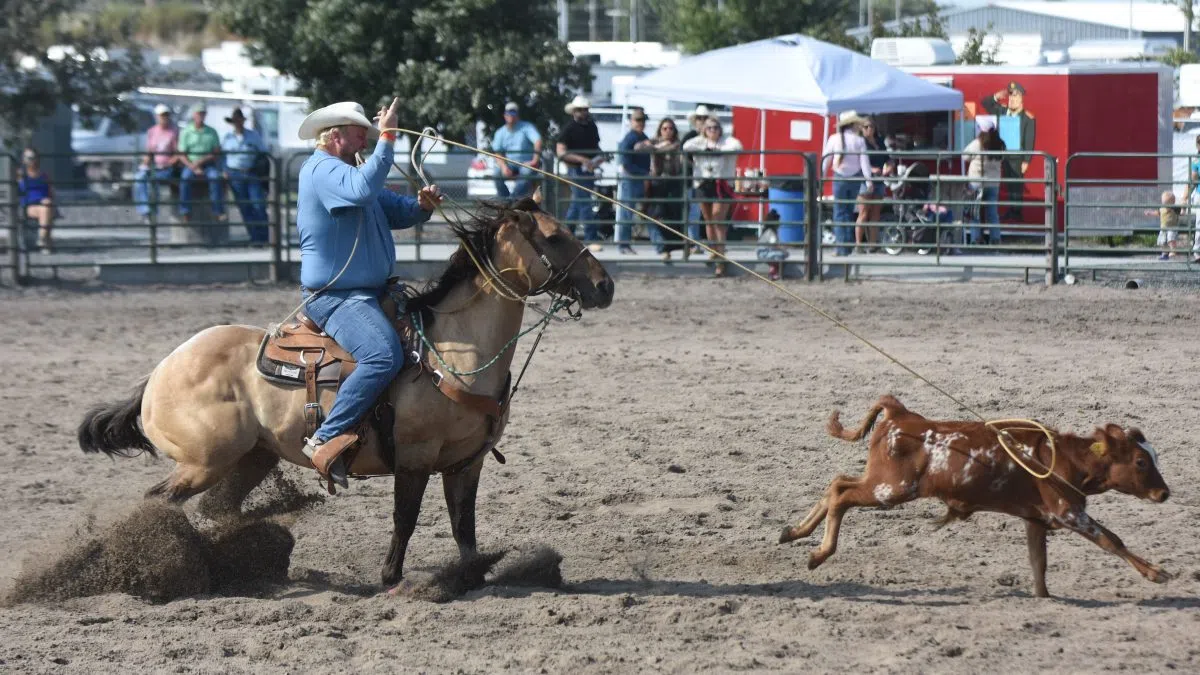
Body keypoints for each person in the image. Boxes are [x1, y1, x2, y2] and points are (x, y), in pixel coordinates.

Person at [296, 98, 443, 488]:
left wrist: (421, 207)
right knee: (382, 356)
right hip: (336, 296)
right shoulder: (323, 170)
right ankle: (325, 439)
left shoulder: (353, 171)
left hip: (371, 292)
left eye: (369, 128)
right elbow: (362, 192)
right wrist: (389, 136)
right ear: (335, 134)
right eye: (359, 128)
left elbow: (398, 211)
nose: (367, 133)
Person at [683, 118, 742, 277]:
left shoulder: (727, 141)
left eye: (716, 127)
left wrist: (717, 148)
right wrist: (705, 144)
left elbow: (737, 146)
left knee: (718, 220)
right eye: (709, 128)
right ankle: (715, 251)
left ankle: (720, 260)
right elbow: (686, 146)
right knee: (709, 220)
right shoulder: (699, 141)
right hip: (703, 183)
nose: (712, 130)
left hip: (721, 184)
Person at [556, 95, 605, 251]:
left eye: (584, 109)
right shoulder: (568, 128)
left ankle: (564, 236)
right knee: (584, 203)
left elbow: (597, 148)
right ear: (573, 111)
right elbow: (561, 152)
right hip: (575, 169)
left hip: (588, 169)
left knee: (577, 203)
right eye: (579, 110)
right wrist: (582, 159)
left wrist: (596, 160)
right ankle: (591, 239)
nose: (582, 112)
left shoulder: (592, 126)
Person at [981, 82, 1035, 222]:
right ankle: (1011, 210)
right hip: (1003, 156)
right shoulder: (1002, 111)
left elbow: (1029, 141)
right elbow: (985, 103)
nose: (1012, 99)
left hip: (1017, 157)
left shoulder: (1027, 118)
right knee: (1008, 185)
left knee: (1017, 185)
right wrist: (996, 96)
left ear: (1021, 99)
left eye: (1015, 97)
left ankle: (1017, 212)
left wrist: (1026, 160)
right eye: (1010, 96)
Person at [821, 111, 873, 257]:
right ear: (853, 124)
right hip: (855, 178)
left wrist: (822, 176)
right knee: (849, 211)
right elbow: (864, 163)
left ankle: (841, 247)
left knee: (839, 212)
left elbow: (826, 160)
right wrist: (869, 181)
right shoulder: (859, 141)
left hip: (840, 177)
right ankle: (848, 245)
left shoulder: (834, 138)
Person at [221, 107, 270, 243]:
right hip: (234, 174)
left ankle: (265, 236)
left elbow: (263, 154)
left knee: (258, 204)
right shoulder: (227, 138)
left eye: (239, 120)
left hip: (251, 172)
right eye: (235, 121)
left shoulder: (253, 136)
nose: (238, 123)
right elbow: (223, 156)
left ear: (242, 121)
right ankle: (254, 237)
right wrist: (224, 170)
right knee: (244, 207)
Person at [133, 103, 182, 221]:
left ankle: (153, 212)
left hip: (166, 168)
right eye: (162, 115)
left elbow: (177, 153)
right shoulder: (152, 132)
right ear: (157, 117)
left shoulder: (174, 132)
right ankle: (145, 210)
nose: (164, 118)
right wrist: (144, 164)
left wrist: (168, 164)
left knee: (153, 182)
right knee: (139, 178)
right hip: (154, 166)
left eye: (166, 115)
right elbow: (150, 152)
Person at [178, 103, 225, 222]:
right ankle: (185, 211)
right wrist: (192, 166)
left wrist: (200, 162)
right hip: (190, 164)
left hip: (208, 164)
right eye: (199, 113)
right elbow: (182, 154)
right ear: (194, 115)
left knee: (215, 178)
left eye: (203, 113)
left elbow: (216, 152)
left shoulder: (212, 132)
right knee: (185, 178)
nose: (201, 116)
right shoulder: (186, 132)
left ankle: (217, 211)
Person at [615, 108, 653, 254]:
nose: (640, 123)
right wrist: (644, 173)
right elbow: (625, 162)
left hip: (639, 178)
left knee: (637, 211)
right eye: (637, 120)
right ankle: (624, 244)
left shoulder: (641, 136)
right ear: (631, 121)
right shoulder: (630, 138)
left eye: (642, 120)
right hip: (631, 178)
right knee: (627, 212)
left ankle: (626, 244)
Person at [962, 120, 1006, 247]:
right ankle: (995, 239)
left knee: (975, 213)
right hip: (993, 183)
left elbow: (964, 156)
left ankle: (976, 239)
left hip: (977, 183)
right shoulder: (1000, 144)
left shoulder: (977, 144)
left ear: (981, 130)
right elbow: (1002, 159)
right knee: (992, 213)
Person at [648, 117, 685, 261]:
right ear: (660, 130)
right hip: (658, 182)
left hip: (673, 182)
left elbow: (674, 147)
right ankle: (662, 247)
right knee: (655, 215)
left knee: (672, 215)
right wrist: (655, 147)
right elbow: (638, 147)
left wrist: (657, 149)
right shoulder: (654, 141)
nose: (668, 131)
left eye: (670, 128)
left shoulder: (677, 144)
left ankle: (669, 248)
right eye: (665, 128)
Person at [490, 102, 543, 199]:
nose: (511, 115)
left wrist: (535, 161)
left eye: (513, 112)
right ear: (504, 115)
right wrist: (503, 167)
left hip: (526, 163)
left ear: (517, 114)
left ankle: (513, 200)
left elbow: (538, 141)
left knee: (527, 172)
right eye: (508, 113)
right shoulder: (500, 132)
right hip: (509, 163)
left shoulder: (527, 127)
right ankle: (504, 200)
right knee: (496, 173)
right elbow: (497, 153)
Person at [855, 117, 889, 252]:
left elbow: (887, 158)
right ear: (861, 129)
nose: (869, 129)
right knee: (863, 213)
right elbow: (858, 162)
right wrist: (871, 169)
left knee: (876, 213)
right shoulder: (860, 142)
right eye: (866, 127)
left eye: (872, 127)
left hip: (879, 179)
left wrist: (889, 165)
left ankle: (872, 244)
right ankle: (858, 245)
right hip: (865, 180)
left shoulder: (880, 142)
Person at [681, 105, 711, 251]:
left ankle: (705, 241)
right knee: (694, 211)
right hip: (692, 178)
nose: (702, 121)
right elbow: (683, 154)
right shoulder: (691, 136)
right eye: (699, 118)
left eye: (704, 118)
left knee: (705, 212)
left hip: (707, 180)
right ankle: (694, 242)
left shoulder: (710, 137)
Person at [17, 148, 55, 253]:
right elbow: (18, 191)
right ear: (23, 159)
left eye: (33, 158)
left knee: (46, 205)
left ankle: (42, 239)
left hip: (45, 205)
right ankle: (44, 241)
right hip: (28, 206)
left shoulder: (44, 175)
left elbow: (51, 192)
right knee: (47, 206)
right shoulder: (20, 175)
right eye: (28, 158)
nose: (31, 160)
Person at [1144, 191, 1181, 261]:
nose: (1166, 206)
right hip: (1163, 227)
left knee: (1171, 239)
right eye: (1164, 203)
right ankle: (1164, 253)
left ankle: (1173, 251)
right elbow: (1157, 213)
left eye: (1168, 203)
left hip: (1172, 227)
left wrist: (1183, 210)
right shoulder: (1161, 208)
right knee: (1162, 241)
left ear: (1173, 203)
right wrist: (1150, 213)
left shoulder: (1175, 209)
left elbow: (1181, 212)